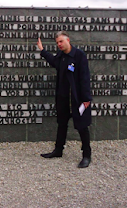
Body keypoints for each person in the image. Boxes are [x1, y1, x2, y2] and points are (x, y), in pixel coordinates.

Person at [37, 31, 92, 168]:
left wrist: (86, 98)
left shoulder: (79, 56)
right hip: (63, 98)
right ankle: (58, 150)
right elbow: (54, 62)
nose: (59, 45)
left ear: (68, 40)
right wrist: (43, 51)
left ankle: (86, 155)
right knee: (61, 124)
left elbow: (85, 78)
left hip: (77, 99)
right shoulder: (61, 56)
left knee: (82, 127)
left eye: (61, 41)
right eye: (57, 43)